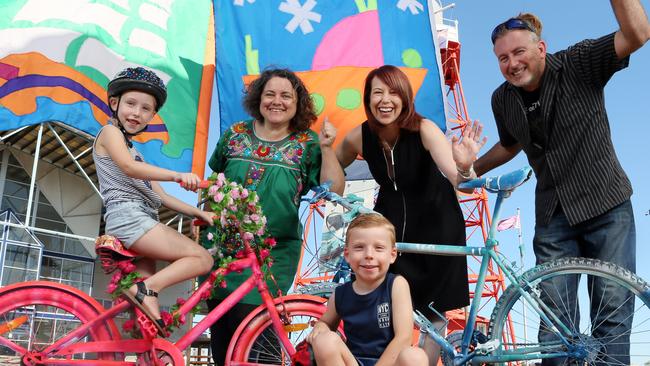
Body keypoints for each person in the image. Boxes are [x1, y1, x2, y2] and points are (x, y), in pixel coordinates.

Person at [474, 5, 650, 364]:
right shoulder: (502, 98)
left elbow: (637, 35)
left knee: (612, 309)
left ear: (541, 49)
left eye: (519, 52)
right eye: (503, 58)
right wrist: (469, 167)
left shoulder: (579, 62)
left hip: (606, 204)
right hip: (553, 215)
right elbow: (510, 145)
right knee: (553, 316)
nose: (512, 63)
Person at [335, 65, 485, 364]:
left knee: (433, 308)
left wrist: (466, 165)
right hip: (389, 225)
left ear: (405, 97)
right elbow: (332, 166)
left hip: (437, 221)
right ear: (368, 99)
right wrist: (326, 164)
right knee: (382, 299)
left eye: (393, 92)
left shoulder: (424, 129)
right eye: (377, 92)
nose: (385, 99)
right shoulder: (359, 136)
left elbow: (460, 182)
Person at [202, 67, 345, 364]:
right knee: (223, 328)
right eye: (270, 94)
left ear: (297, 103)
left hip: (273, 252)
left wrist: (328, 148)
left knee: (256, 325)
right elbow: (213, 183)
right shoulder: (235, 134)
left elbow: (336, 189)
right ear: (259, 99)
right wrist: (203, 224)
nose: (276, 101)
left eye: (285, 95)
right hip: (223, 247)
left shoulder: (307, 143)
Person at [93, 67, 215, 335]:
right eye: (131, 104)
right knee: (203, 259)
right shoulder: (109, 134)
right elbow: (128, 168)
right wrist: (177, 174)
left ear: (152, 115)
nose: (137, 113)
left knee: (149, 323)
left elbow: (163, 197)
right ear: (115, 103)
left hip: (140, 219)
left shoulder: (135, 152)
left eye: (146, 108)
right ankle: (147, 289)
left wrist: (202, 213)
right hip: (129, 218)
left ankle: (145, 349)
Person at [307, 214, 428, 366]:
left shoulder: (397, 284)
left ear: (392, 255)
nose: (369, 255)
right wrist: (320, 326)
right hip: (354, 361)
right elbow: (326, 322)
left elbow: (404, 338)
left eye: (378, 248)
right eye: (359, 247)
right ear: (347, 254)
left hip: (391, 361)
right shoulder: (340, 294)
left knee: (415, 356)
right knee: (325, 340)